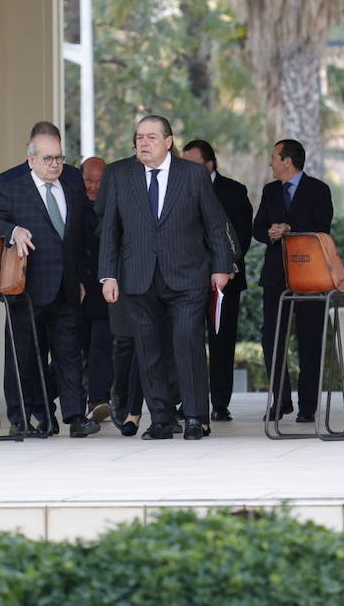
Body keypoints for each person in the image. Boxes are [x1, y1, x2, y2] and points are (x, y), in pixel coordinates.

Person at [98, 115, 233, 441]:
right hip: (139, 276)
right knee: (148, 348)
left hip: (187, 276)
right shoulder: (120, 174)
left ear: (168, 142)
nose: (143, 143)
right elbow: (110, 231)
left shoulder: (193, 174)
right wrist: (108, 276)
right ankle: (160, 419)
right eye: (139, 137)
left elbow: (214, 224)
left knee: (187, 343)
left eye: (151, 137)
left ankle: (195, 417)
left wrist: (220, 266)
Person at [0, 133, 99, 438]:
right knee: (22, 355)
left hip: (67, 287)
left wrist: (83, 279)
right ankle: (19, 418)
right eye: (48, 159)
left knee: (69, 354)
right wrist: (13, 230)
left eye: (59, 158)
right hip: (27, 288)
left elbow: (82, 238)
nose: (55, 164)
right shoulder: (15, 190)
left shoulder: (72, 189)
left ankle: (75, 417)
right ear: (31, 159)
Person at [252, 138, 332, 424]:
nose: (270, 162)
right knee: (271, 338)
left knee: (310, 341)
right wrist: (271, 231)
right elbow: (257, 228)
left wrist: (292, 229)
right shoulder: (270, 191)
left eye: (274, 157)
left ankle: (308, 406)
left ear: (288, 161)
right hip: (276, 277)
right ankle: (281, 400)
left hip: (310, 277)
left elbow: (323, 228)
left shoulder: (319, 190)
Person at [181, 139, 252, 422]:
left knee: (222, 343)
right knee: (187, 340)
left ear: (209, 165)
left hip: (227, 279)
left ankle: (220, 403)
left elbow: (242, 234)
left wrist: (226, 266)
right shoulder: (180, 189)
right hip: (189, 279)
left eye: (193, 163)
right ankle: (188, 400)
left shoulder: (234, 191)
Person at [78, 156, 114, 422]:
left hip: (103, 290)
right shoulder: (69, 203)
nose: (93, 187)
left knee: (101, 346)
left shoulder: (114, 206)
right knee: (73, 349)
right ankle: (50, 396)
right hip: (76, 290)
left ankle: (99, 399)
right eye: (88, 181)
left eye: (99, 182)